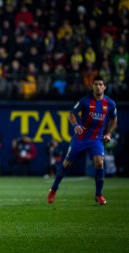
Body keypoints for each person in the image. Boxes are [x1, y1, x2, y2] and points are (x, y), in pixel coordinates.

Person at [47, 76, 117, 205]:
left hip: (96, 139)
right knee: (67, 164)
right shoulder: (85, 101)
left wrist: (109, 133)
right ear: (93, 86)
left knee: (99, 162)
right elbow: (71, 113)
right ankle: (53, 189)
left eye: (101, 84)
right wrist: (76, 126)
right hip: (81, 138)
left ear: (104, 87)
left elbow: (114, 119)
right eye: (96, 84)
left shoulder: (110, 104)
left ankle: (99, 194)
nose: (98, 86)